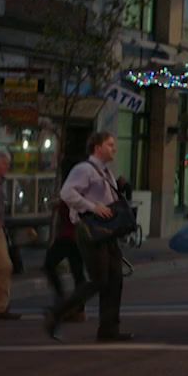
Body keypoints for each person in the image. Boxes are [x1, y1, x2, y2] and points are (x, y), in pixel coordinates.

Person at [46, 132, 130, 341]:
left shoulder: (105, 172)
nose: (114, 149)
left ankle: (109, 330)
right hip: (90, 231)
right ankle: (56, 314)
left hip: (106, 232)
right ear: (97, 147)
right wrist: (93, 207)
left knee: (115, 280)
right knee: (99, 280)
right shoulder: (84, 169)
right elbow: (67, 193)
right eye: (110, 145)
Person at [42, 195, 87, 321]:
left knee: (49, 264)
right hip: (76, 236)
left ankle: (64, 303)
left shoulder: (74, 189)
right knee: (78, 272)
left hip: (69, 235)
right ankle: (78, 309)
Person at [0, 151, 22, 321]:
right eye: (4, 163)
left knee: (5, 266)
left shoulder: (1, 182)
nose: (7, 167)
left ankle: (1, 308)